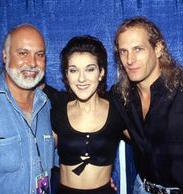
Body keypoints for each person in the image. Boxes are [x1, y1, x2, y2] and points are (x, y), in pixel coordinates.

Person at [112, 16, 183, 193]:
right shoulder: (121, 97)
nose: (129, 60)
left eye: (138, 49)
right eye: (123, 51)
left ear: (158, 49)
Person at [0, 24, 55, 194]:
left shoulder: (48, 106)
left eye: (39, 55)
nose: (32, 63)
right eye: (23, 53)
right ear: (5, 55)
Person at [50, 35, 129, 194]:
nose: (81, 78)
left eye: (90, 69)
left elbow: (148, 146)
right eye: (73, 70)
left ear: (101, 73)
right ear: (66, 75)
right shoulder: (57, 109)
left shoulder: (117, 110)